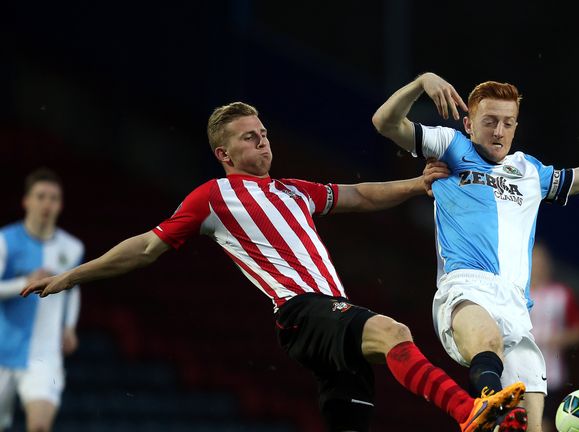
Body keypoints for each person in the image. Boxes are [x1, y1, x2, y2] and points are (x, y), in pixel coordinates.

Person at [21, 102, 528, 432]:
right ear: (223, 153)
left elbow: (356, 194)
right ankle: (470, 411)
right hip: (303, 312)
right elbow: (146, 247)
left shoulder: (290, 190)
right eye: (248, 137)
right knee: (393, 331)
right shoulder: (212, 196)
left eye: (263, 132)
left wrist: (416, 186)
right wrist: (72, 275)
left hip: (325, 319)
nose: (262, 141)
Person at [371, 71, 579, 432]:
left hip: (517, 307)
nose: (499, 131)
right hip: (465, 288)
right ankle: (491, 403)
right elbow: (385, 122)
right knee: (487, 344)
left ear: (516, 126)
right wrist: (421, 82)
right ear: (469, 124)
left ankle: (502, 416)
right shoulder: (451, 148)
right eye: (489, 122)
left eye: (507, 123)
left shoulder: (530, 172)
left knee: (532, 428)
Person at [0, 168, 82, 432]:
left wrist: (69, 325)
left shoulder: (72, 248)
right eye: (41, 196)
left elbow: (73, 289)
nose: (47, 204)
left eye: (54, 198)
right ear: (26, 201)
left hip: (43, 355)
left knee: (39, 427)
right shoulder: (5, 241)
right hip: (3, 351)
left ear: (61, 205)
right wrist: (24, 283)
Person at [528, 243, 579, 432]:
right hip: (516, 371)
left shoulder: (561, 294)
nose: (538, 265)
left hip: (549, 375)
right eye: (534, 260)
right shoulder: (516, 291)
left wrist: (558, 339)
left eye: (541, 261)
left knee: (540, 425)